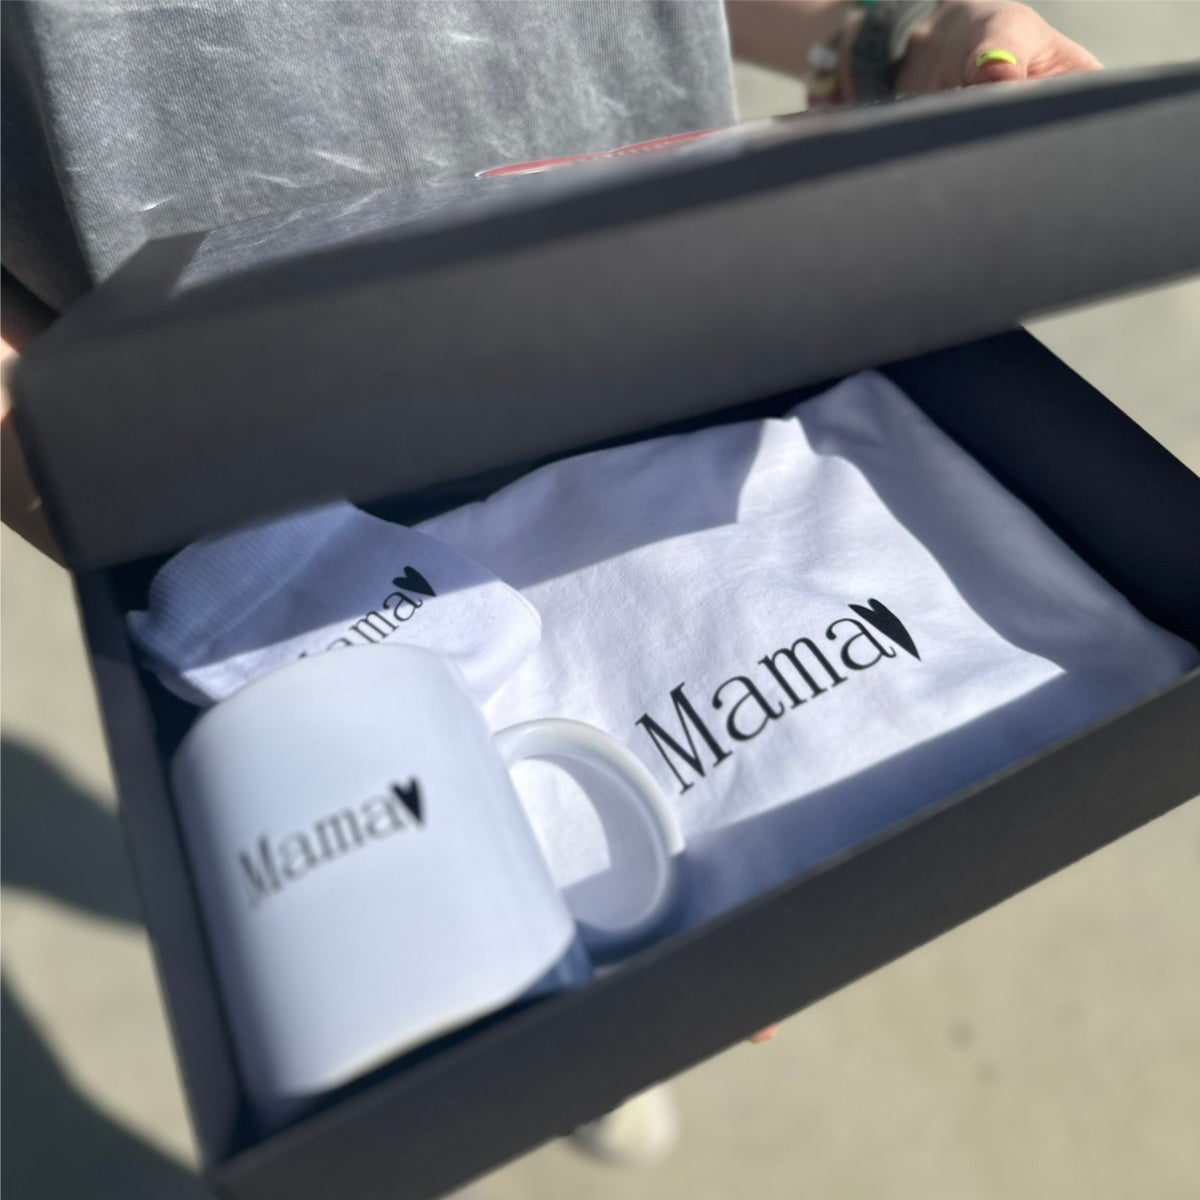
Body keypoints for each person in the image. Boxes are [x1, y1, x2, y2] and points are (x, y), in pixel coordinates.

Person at [0, 0, 1101, 1168]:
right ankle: (560, 1006)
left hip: (673, 310)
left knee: (624, 893)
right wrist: (186, 536)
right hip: (243, 456)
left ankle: (588, 1002)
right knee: (446, 920)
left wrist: (881, 35)